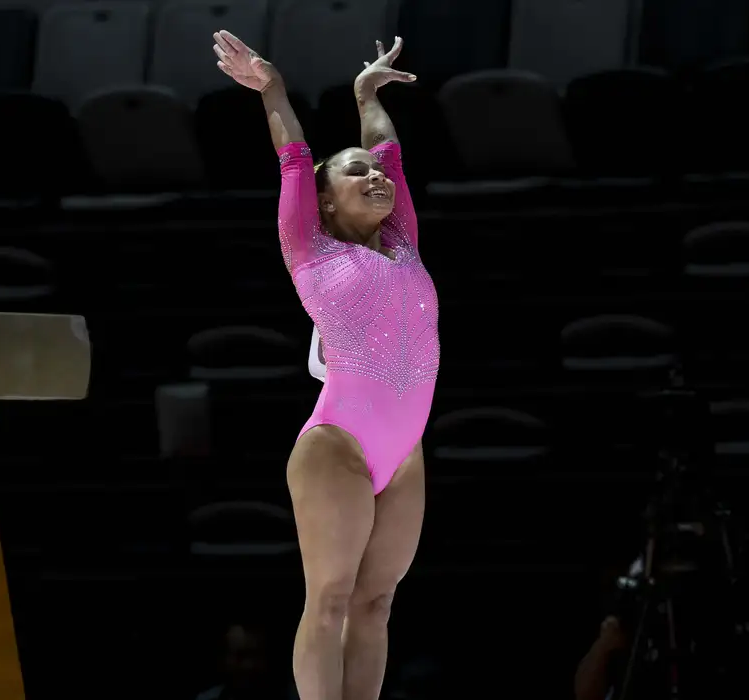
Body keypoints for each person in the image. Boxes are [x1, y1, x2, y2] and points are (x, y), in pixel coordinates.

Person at [212, 30, 438, 700]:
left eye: (375, 173)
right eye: (354, 173)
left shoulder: (403, 242)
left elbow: (389, 150)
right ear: (326, 200)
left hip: (405, 452)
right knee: (332, 598)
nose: (374, 177)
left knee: (376, 604)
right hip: (337, 443)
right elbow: (293, 156)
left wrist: (366, 95)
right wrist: (273, 89)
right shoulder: (309, 249)